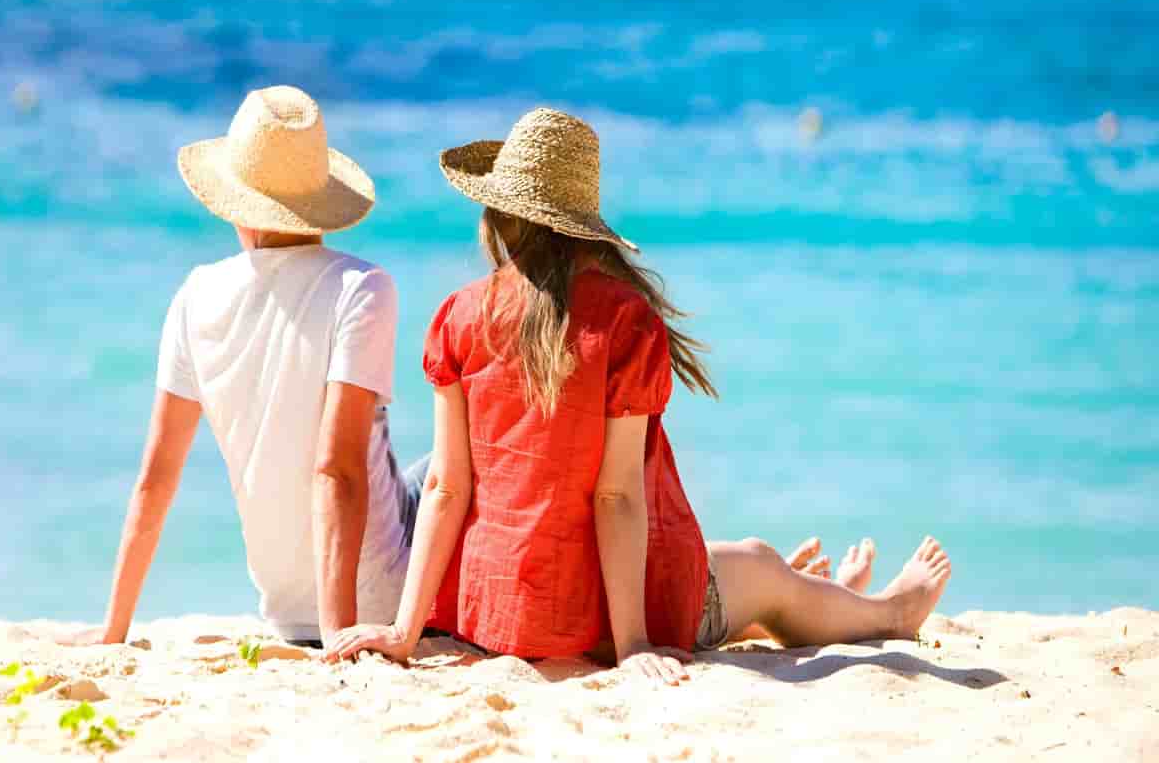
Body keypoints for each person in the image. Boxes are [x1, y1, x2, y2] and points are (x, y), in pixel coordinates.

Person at [324, 108, 952, 684]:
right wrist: (633, 646)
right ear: (585, 229)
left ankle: (821, 598)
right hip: (602, 613)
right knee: (759, 568)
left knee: (750, 581)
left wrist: (406, 632)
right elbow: (615, 495)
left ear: (499, 217)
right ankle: (889, 613)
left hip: (494, 614)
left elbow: (445, 488)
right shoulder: (624, 321)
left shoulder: (457, 317)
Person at [90, 85, 419, 647]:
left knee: (425, 471)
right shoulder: (360, 288)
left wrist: (113, 631)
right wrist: (338, 634)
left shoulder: (196, 295)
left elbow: (155, 478)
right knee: (458, 468)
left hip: (282, 608)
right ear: (320, 196)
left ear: (234, 198)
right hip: (373, 599)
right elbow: (336, 470)